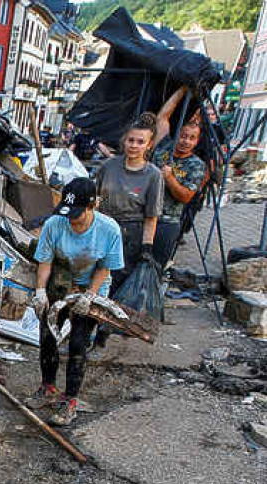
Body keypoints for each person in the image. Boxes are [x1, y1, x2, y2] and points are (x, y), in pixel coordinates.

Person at [28, 178, 124, 426]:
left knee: (79, 341)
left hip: (92, 283)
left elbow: (105, 267)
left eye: (78, 216)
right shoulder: (54, 225)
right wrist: (40, 291)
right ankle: (47, 386)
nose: (72, 220)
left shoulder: (108, 229)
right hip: (61, 279)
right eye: (68, 215)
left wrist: (90, 295)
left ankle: (71, 398)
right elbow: (45, 261)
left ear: (93, 206)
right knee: (48, 334)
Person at [94, 113, 164, 296]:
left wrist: (146, 247)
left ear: (149, 145)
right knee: (95, 278)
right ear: (124, 141)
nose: (134, 145)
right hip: (102, 227)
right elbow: (95, 199)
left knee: (118, 285)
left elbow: (151, 216)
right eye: (130, 140)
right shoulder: (108, 166)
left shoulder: (153, 175)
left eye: (140, 142)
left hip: (130, 235)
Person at [152, 86, 207, 270]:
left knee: (155, 269)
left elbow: (185, 196)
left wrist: (169, 177)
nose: (186, 141)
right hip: (143, 217)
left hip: (167, 223)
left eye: (192, 138)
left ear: (197, 141)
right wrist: (182, 90)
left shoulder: (196, 165)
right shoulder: (163, 147)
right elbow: (162, 117)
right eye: (183, 136)